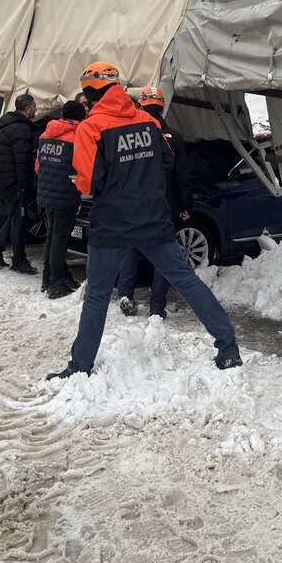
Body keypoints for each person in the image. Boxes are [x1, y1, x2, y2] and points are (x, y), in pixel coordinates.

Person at [46, 63, 241, 380]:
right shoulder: (148, 122)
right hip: (153, 219)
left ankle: (80, 366)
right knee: (187, 281)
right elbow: (167, 162)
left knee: (97, 295)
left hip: (111, 223)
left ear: (91, 91)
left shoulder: (91, 129)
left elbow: (85, 183)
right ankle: (228, 346)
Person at [115, 87, 194, 319]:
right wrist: (187, 205)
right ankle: (156, 307)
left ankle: (126, 296)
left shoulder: (129, 135)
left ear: (141, 105)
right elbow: (183, 174)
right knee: (162, 253)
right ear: (162, 107)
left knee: (131, 247)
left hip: (133, 203)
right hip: (164, 204)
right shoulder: (174, 137)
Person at [35, 100, 87, 299]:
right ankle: (56, 282)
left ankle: (48, 278)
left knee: (52, 235)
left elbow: (38, 166)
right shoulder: (77, 137)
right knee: (59, 238)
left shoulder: (45, 134)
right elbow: (83, 166)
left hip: (47, 193)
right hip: (66, 193)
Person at [0, 94, 38, 275]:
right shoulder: (21, 129)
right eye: (35, 106)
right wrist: (24, 186)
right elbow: (22, 161)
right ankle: (18, 259)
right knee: (18, 219)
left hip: (0, 179)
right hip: (12, 183)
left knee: (14, 216)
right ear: (28, 108)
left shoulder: (6, 125)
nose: (36, 109)